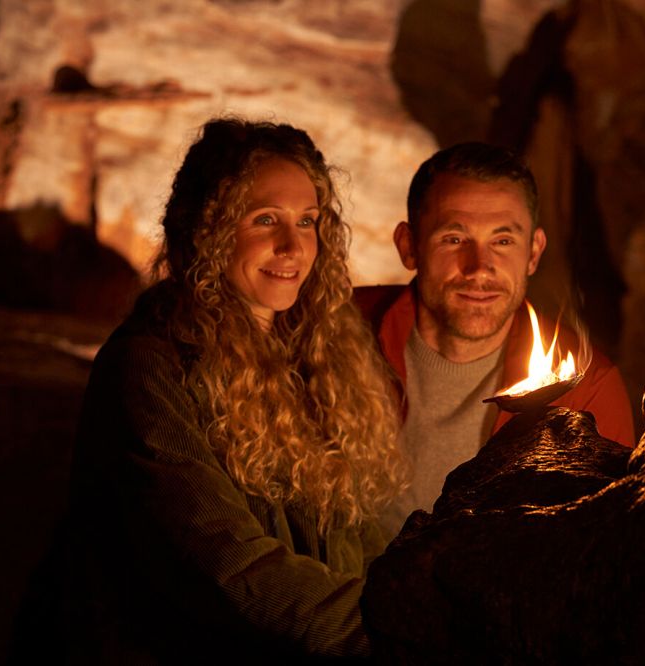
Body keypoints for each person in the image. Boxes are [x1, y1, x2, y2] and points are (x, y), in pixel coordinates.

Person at [59, 118, 407, 663]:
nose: (293, 245)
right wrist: (393, 637)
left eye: (308, 221)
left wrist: (421, 605)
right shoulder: (151, 366)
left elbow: (361, 534)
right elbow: (230, 567)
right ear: (208, 229)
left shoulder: (325, 356)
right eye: (265, 219)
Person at [355, 142, 635, 538]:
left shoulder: (586, 389)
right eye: (454, 239)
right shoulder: (339, 331)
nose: (479, 267)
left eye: (503, 241)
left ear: (533, 252)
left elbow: (600, 547)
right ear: (409, 246)